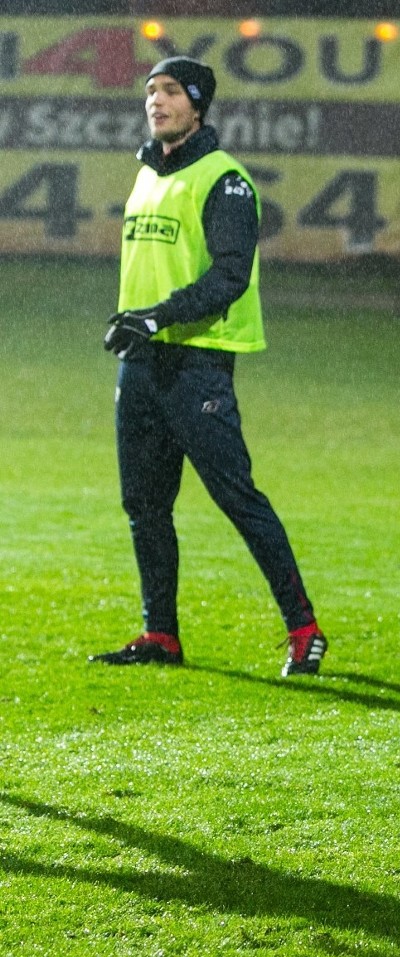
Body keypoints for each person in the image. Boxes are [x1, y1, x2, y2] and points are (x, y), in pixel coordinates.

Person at [89, 57, 327, 678]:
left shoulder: (225, 181)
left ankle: (304, 629)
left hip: (196, 365)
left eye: (170, 91)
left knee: (236, 497)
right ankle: (160, 633)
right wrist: (134, 321)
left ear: (198, 104)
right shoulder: (146, 175)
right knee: (144, 504)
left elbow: (228, 277)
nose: (155, 101)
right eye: (150, 91)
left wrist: (155, 315)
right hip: (142, 364)